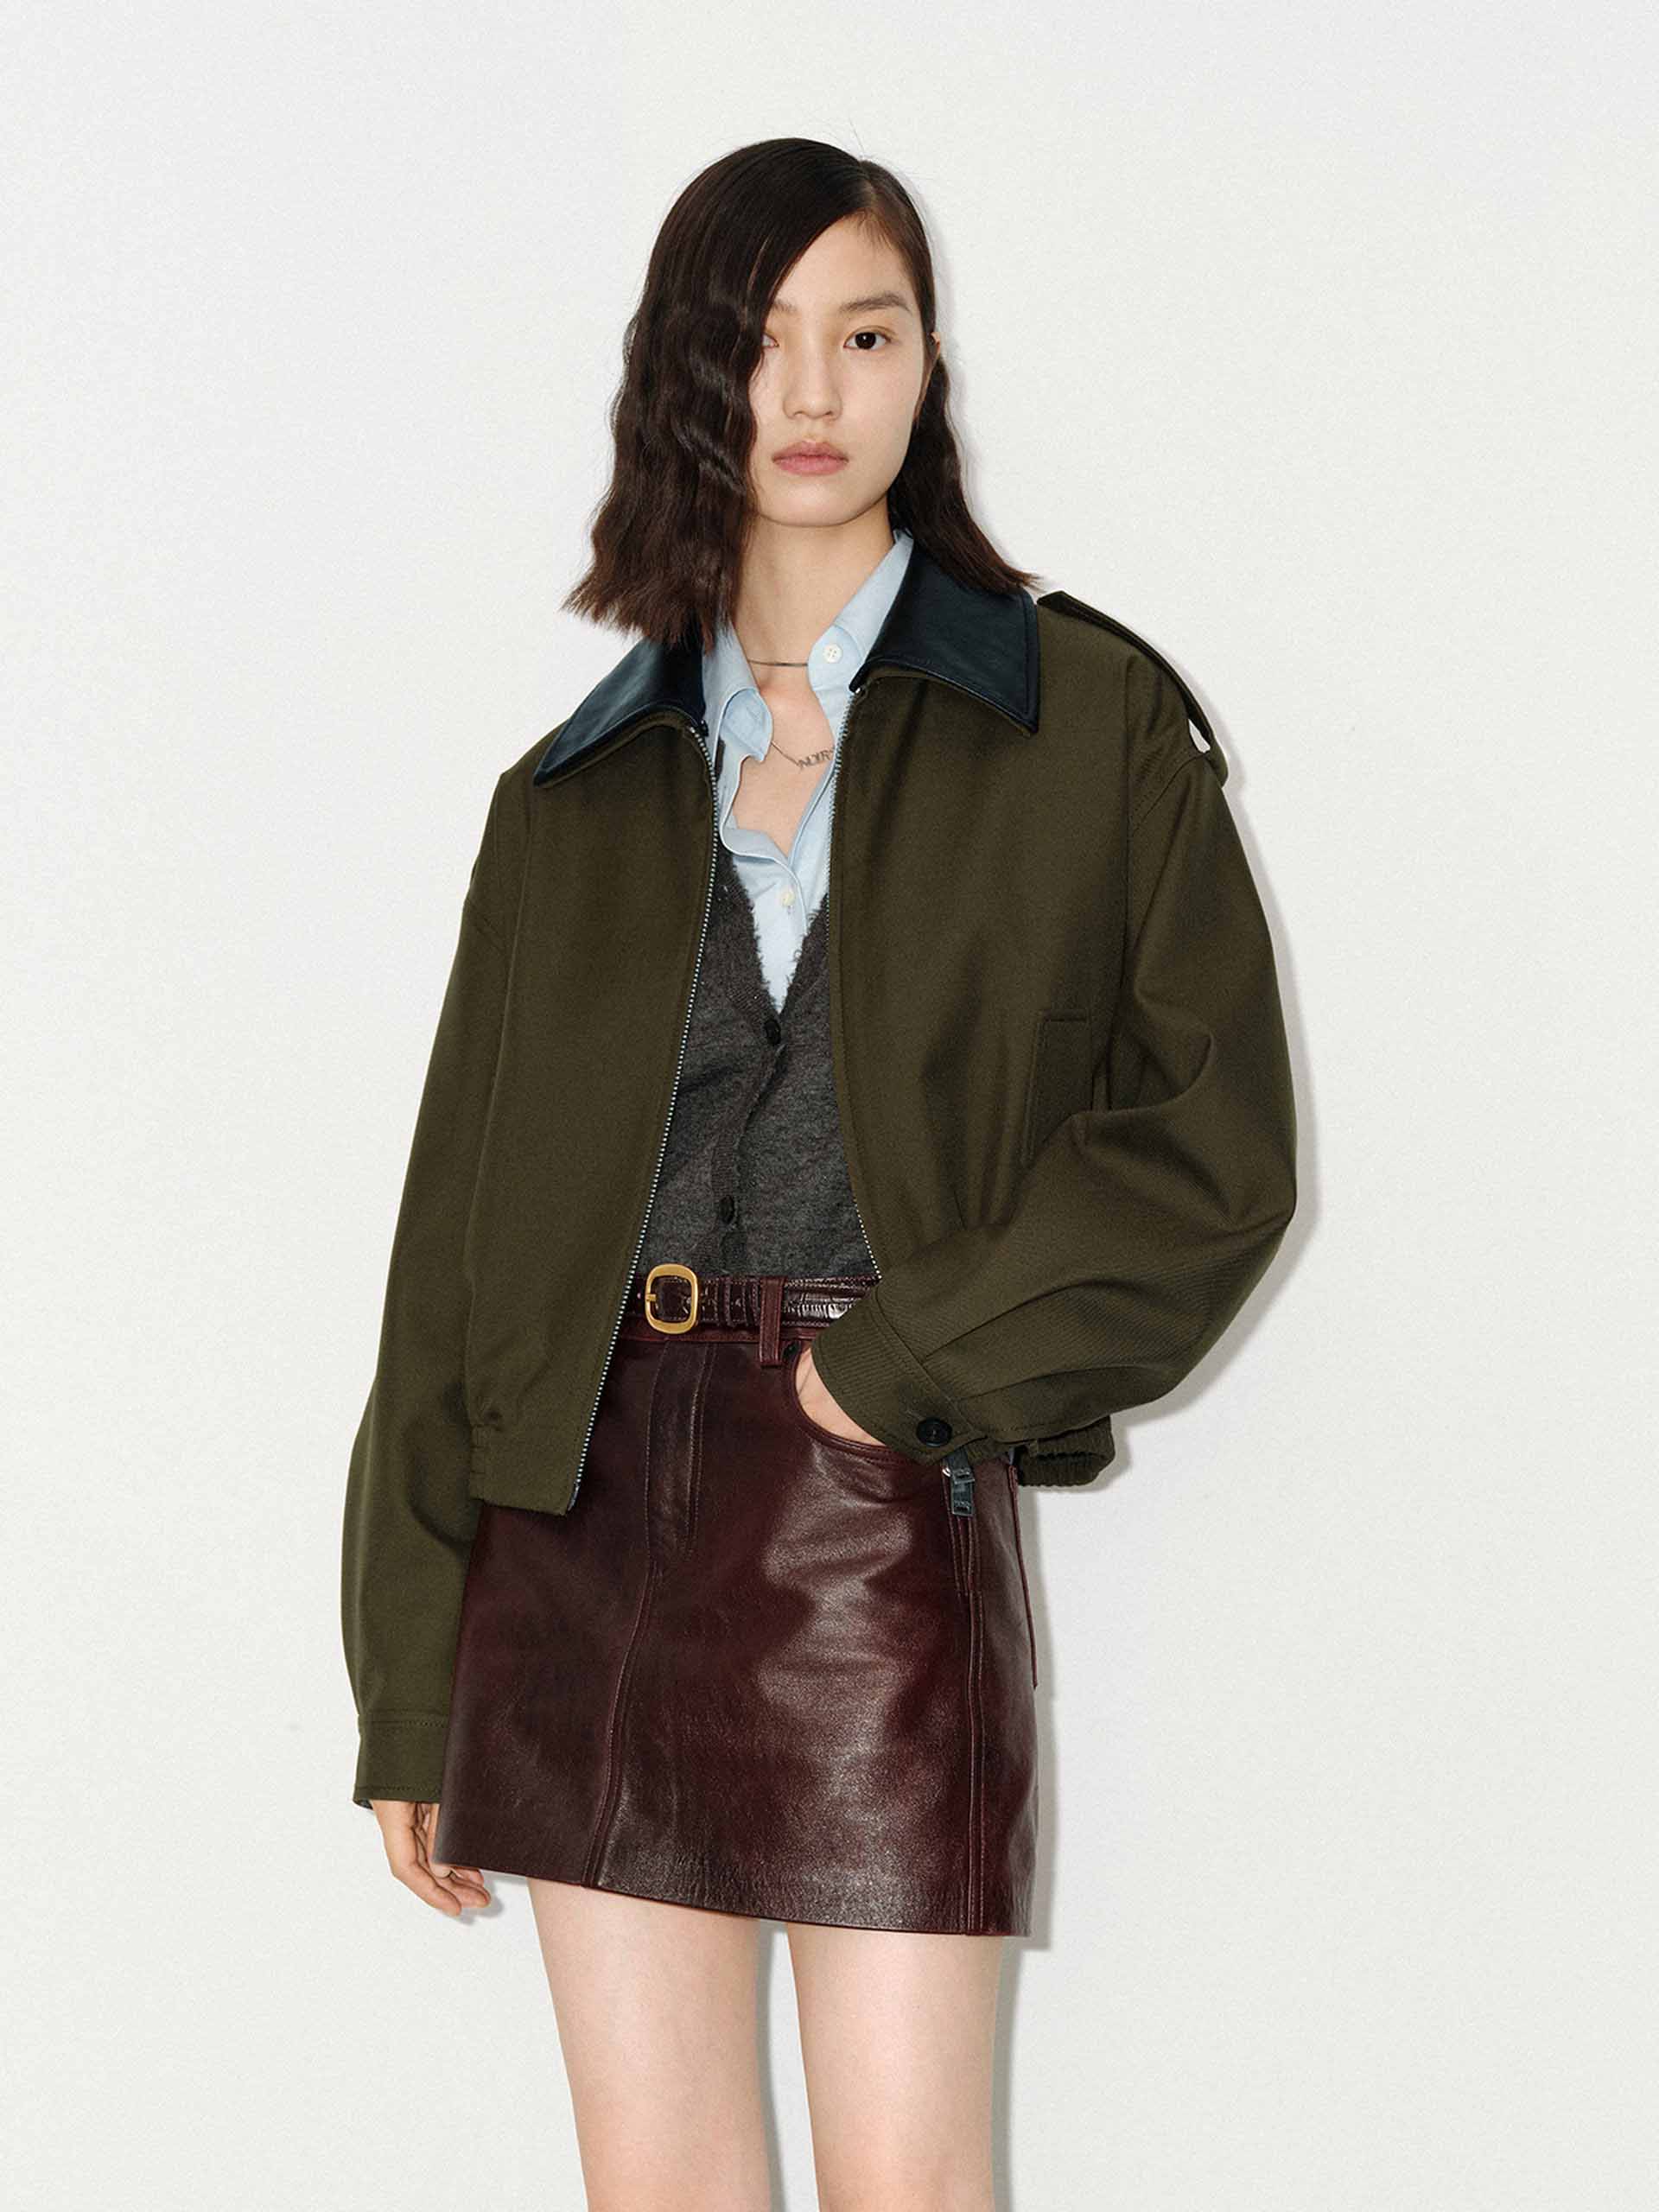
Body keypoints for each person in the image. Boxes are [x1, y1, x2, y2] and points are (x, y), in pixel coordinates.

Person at [340, 136, 1297, 2211]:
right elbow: (457, 1253)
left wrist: (897, 1371)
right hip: (577, 1531)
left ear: (925, 366)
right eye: (761, 338)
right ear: (683, 374)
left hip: (878, 1510)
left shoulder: (1083, 723)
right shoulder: (570, 795)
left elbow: (1213, 1155)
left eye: (865, 336)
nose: (811, 390)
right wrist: (409, 1670)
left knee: (910, 2187)